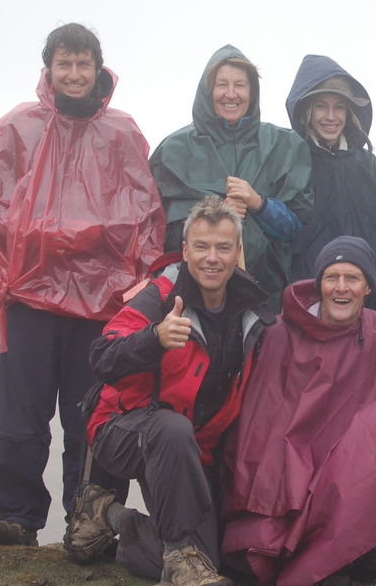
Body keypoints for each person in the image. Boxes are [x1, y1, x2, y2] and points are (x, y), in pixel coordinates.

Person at [0, 23, 164, 546]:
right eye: (64, 63)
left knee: (90, 413)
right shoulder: (22, 126)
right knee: (19, 408)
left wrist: (128, 280)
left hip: (99, 303)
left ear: (99, 70)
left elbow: (144, 215)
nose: (74, 73)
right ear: (48, 69)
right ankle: (16, 515)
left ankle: (89, 518)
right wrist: (14, 254)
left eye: (83, 63)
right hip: (29, 295)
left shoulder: (121, 133)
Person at [222, 236, 376, 586]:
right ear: (318, 283)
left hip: (347, 467)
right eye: (331, 277)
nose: (341, 287)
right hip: (287, 467)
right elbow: (260, 421)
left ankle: (368, 553)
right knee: (252, 556)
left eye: (352, 278)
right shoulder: (277, 334)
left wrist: (365, 444)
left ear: (367, 287)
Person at [64, 196, 275, 586]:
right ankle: (179, 557)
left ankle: (107, 513)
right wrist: (153, 339)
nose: (212, 258)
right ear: (185, 251)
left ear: (238, 253)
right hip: (122, 428)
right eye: (202, 246)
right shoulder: (158, 296)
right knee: (171, 429)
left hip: (195, 448)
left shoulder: (253, 311)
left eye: (223, 247)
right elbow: (101, 356)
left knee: (214, 559)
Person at [150, 45, 313, 310]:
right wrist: (216, 214)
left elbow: (294, 226)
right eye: (221, 84)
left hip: (265, 297)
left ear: (252, 92)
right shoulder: (174, 150)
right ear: (207, 91)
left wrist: (259, 203)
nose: (231, 94)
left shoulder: (285, 146)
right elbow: (158, 232)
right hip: (192, 299)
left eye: (240, 85)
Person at [285, 54, 376, 319]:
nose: (331, 117)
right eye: (322, 106)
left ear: (350, 113)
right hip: (310, 294)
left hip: (367, 296)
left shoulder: (366, 163)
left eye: (340, 107)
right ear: (307, 111)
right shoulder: (293, 161)